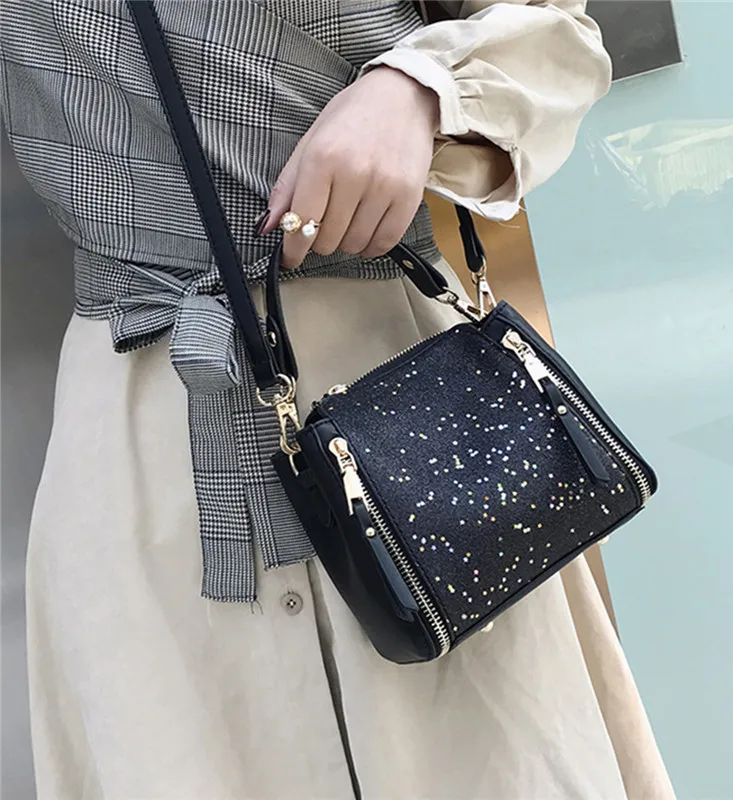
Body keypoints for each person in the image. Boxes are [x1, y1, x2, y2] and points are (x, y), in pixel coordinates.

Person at [0, 1, 674, 797]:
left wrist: (416, 92)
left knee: (484, 754)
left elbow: (552, 31)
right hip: (143, 419)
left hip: (407, 398)